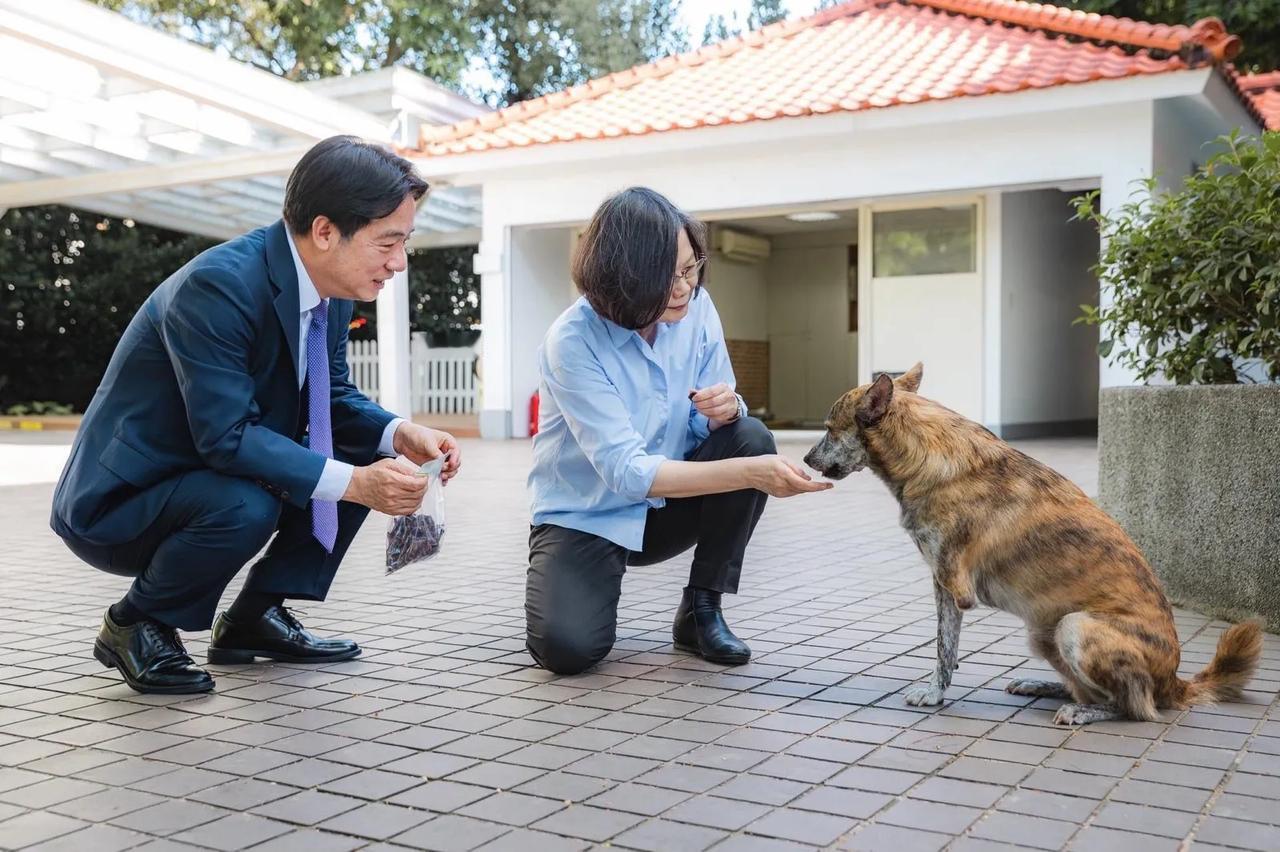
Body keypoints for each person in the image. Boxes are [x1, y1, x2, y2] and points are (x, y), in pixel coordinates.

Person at [50, 136, 461, 694]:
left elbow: (332, 397)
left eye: (404, 241)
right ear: (324, 231)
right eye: (387, 242)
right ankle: (136, 623)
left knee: (364, 448)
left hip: (204, 475)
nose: (399, 261)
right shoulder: (218, 286)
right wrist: (357, 485)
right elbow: (226, 437)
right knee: (251, 502)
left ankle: (253, 617)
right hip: (124, 502)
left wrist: (400, 433)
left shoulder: (333, 288)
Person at [525, 187, 831, 676]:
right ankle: (585, 584)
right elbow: (626, 472)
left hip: (669, 507)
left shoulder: (699, 309)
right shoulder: (572, 340)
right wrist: (751, 474)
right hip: (588, 515)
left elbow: (709, 418)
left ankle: (701, 609)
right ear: (622, 278)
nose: (684, 287)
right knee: (567, 650)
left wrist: (723, 410)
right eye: (665, 276)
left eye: (690, 269)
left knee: (750, 436)